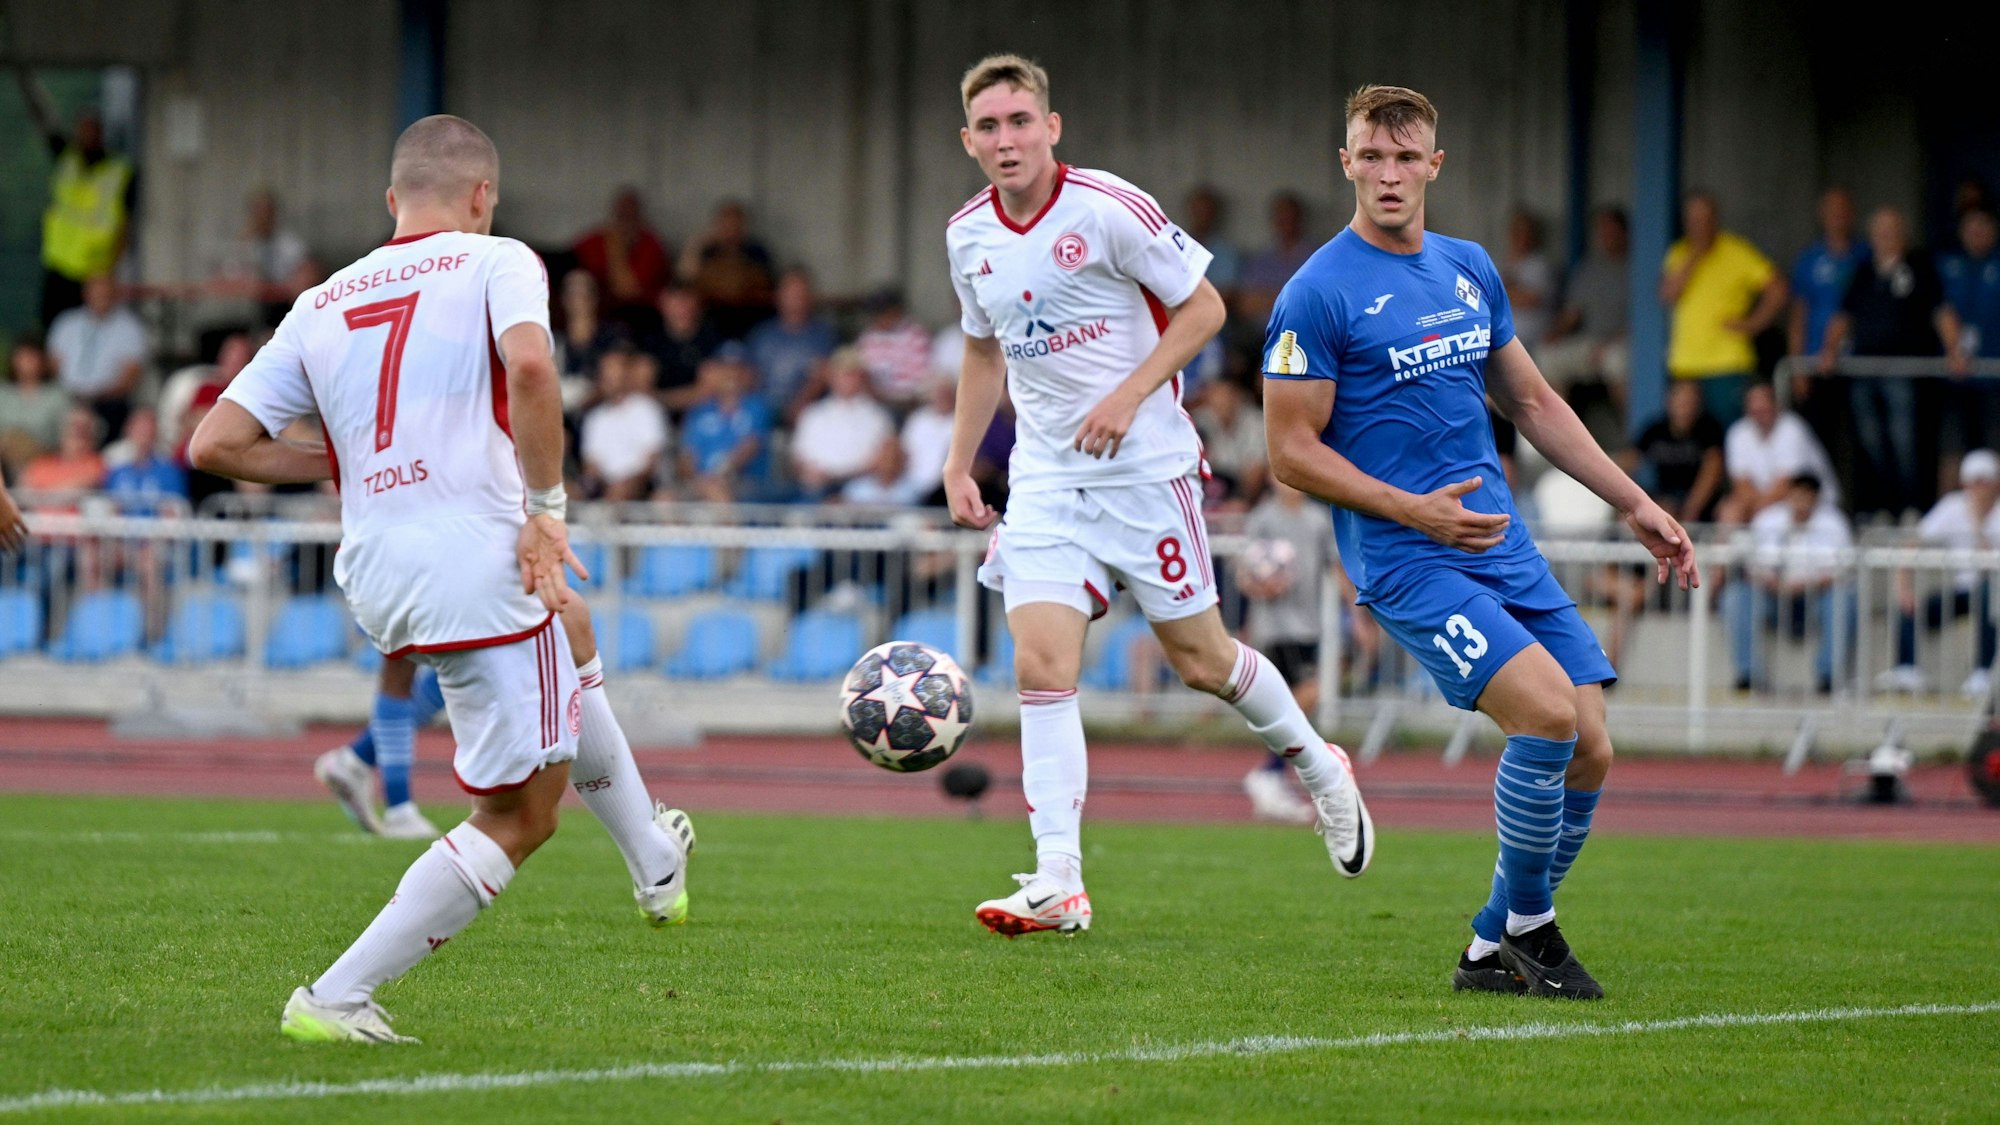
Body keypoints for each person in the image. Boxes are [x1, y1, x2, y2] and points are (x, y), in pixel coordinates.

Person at [188, 115, 696, 1045]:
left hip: (380, 567)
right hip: (475, 550)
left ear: (392, 201)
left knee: (568, 625)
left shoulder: (321, 299)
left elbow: (215, 443)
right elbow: (534, 365)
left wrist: (338, 461)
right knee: (521, 814)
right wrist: (548, 504)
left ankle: (656, 856)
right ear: (482, 195)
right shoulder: (497, 259)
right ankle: (335, 995)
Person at [1262, 85, 1699, 1000]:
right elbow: (1289, 453)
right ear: (1345, 163)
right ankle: (1533, 931)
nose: (1388, 174)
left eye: (1405, 156)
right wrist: (1410, 509)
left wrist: (1633, 502)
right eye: (1370, 157)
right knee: (1546, 714)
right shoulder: (1315, 293)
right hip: (1408, 558)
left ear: (1434, 164)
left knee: (1591, 747)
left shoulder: (1468, 267)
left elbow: (1534, 401)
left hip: (1500, 543)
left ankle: (1486, 947)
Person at [942, 55, 1372, 939]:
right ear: (969, 142)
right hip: (1048, 478)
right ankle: (1059, 875)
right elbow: (983, 352)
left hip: (1146, 470)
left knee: (1203, 662)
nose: (1006, 139)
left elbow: (1206, 309)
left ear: (1051, 127)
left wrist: (1129, 393)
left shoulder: (1107, 207)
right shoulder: (966, 237)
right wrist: (958, 463)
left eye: (1021, 120)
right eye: (989, 126)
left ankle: (1322, 770)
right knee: (1039, 663)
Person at [1819, 207, 1964, 512]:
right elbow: (1843, 317)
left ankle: (1910, 506)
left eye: (1892, 230)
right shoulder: (1863, 270)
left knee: (1905, 442)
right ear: (1872, 236)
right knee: (1870, 443)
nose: (1886, 236)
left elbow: (1942, 312)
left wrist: (1955, 350)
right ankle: (1880, 507)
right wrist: (1829, 350)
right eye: (1880, 230)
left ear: (1904, 235)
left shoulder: (1920, 267)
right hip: (1864, 368)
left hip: (1904, 369)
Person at [1238, 479, 1354, 823]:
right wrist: (1260, 585)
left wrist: (1358, 612)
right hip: (1275, 628)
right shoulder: (1263, 519)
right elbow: (1243, 573)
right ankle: (1270, 773)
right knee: (1305, 697)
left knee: (1296, 705)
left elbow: (1334, 567)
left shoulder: (1316, 520)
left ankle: (1272, 777)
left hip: (1307, 626)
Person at [1875, 448, 2000, 698]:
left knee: (1987, 593)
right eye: (1973, 483)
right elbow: (1912, 543)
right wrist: (1904, 588)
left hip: (1993, 592)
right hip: (1962, 592)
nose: (1978, 489)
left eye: (1983, 482)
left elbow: (1988, 565)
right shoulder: (1952, 506)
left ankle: (1982, 672)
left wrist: (1977, 524)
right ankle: (1907, 668)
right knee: (1912, 607)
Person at [15, 76, 135, 326]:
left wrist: (112, 271)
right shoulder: (67, 161)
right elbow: (45, 122)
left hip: (93, 272)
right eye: (82, 129)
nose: (86, 136)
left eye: (91, 130)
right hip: (58, 265)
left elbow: (125, 227)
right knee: (54, 330)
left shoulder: (118, 173)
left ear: (101, 134)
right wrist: (24, 79)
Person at [1660, 192, 1788, 427]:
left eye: (1705, 219)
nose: (1700, 226)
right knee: (1690, 438)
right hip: (1686, 363)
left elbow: (1778, 289)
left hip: (1728, 363)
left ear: (1715, 220)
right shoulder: (1679, 253)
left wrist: (1754, 323)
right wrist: (1694, 257)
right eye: (1694, 221)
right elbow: (1667, 295)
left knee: (1731, 434)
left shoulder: (1737, 251)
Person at [1725, 474, 1852, 695]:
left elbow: (1843, 569)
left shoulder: (1834, 523)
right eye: (1797, 495)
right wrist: (1771, 582)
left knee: (1843, 599)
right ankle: (1749, 674)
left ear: (1816, 498)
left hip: (1816, 597)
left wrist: (1808, 584)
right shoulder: (1768, 520)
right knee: (1736, 596)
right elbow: (1750, 563)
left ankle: (1828, 676)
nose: (1801, 501)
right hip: (1773, 595)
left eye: (1807, 496)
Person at [1539, 207, 1632, 409]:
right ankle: (1558, 434)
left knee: (1616, 361)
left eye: (1611, 230)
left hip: (1621, 344)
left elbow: (1641, 321)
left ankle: (1631, 435)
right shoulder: (1589, 268)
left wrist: (1607, 345)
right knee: (1546, 358)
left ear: (1624, 232)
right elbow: (1573, 313)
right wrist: (1555, 334)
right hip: (1589, 343)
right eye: (1602, 230)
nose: (1606, 235)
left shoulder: (1636, 266)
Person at [1718, 381, 1838, 525]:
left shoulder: (1793, 428)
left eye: (1764, 403)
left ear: (1776, 404)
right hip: (1764, 504)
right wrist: (1752, 508)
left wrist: (1755, 511)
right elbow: (1741, 485)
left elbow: (1785, 486)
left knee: (1768, 520)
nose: (1759, 409)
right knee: (1730, 510)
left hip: (1810, 503)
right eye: (1754, 404)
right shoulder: (1737, 432)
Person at [46, 274, 148, 441]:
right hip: (67, 398)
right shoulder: (67, 322)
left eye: (106, 293)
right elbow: (53, 364)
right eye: (96, 292)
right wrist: (74, 395)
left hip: (107, 401)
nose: (101, 297)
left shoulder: (129, 327)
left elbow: (130, 376)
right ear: (85, 294)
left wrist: (95, 396)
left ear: (115, 294)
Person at [793, 347, 894, 498]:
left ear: (861, 377)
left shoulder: (877, 416)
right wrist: (811, 473)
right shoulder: (814, 413)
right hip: (818, 487)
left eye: (853, 374)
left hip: (861, 489)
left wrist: (846, 477)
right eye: (843, 374)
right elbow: (799, 456)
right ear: (832, 377)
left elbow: (884, 458)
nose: (848, 379)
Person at [678, 345, 772, 502]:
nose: (731, 375)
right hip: (700, 482)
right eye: (725, 369)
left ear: (748, 373)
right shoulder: (700, 410)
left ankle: (729, 526)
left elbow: (750, 447)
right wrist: (697, 479)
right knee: (664, 499)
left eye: (738, 369)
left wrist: (720, 472)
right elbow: (687, 456)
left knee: (716, 491)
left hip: (744, 482)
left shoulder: (757, 406)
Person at [745, 267, 836, 424]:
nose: (796, 297)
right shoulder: (762, 333)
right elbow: (748, 374)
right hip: (764, 408)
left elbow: (823, 374)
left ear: (810, 295)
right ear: (779, 295)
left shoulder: (823, 333)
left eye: (801, 292)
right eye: (791, 292)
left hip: (806, 411)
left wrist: (801, 403)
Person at [579, 345, 669, 501]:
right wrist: (597, 482)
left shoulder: (646, 408)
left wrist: (626, 483)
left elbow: (651, 461)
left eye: (616, 373)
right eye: (607, 375)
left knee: (620, 491)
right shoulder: (594, 417)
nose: (612, 379)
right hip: (604, 485)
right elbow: (591, 464)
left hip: (640, 485)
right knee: (564, 492)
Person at [571, 187, 672, 323]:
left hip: (640, 316)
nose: (625, 221)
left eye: (630, 214)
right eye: (621, 214)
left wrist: (615, 248)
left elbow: (628, 291)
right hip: (597, 313)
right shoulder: (597, 239)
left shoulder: (650, 244)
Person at [678, 200, 774, 340]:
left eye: (735, 224)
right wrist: (697, 245)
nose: (731, 230)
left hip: (749, 320)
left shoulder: (756, 251)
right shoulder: (707, 250)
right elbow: (684, 278)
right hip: (709, 320)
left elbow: (762, 284)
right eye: (726, 224)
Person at [853, 287, 935, 410]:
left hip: (907, 404)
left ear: (896, 311)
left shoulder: (916, 335)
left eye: (883, 312)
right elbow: (858, 370)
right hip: (874, 402)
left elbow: (918, 382)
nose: (878, 318)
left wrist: (886, 395)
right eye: (875, 313)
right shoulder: (867, 337)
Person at [0, 337, 70, 474]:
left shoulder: (57, 395)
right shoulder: (3, 391)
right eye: (22, 356)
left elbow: (67, 435)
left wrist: (32, 447)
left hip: (44, 458)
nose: (27, 362)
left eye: (32, 357)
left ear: (43, 361)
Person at [1499, 207, 1555, 354]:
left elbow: (1530, 299)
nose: (1522, 237)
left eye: (1526, 232)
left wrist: (1503, 291)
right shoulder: (1503, 262)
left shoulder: (1540, 264)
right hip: (1503, 335)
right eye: (1518, 232)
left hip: (1533, 338)